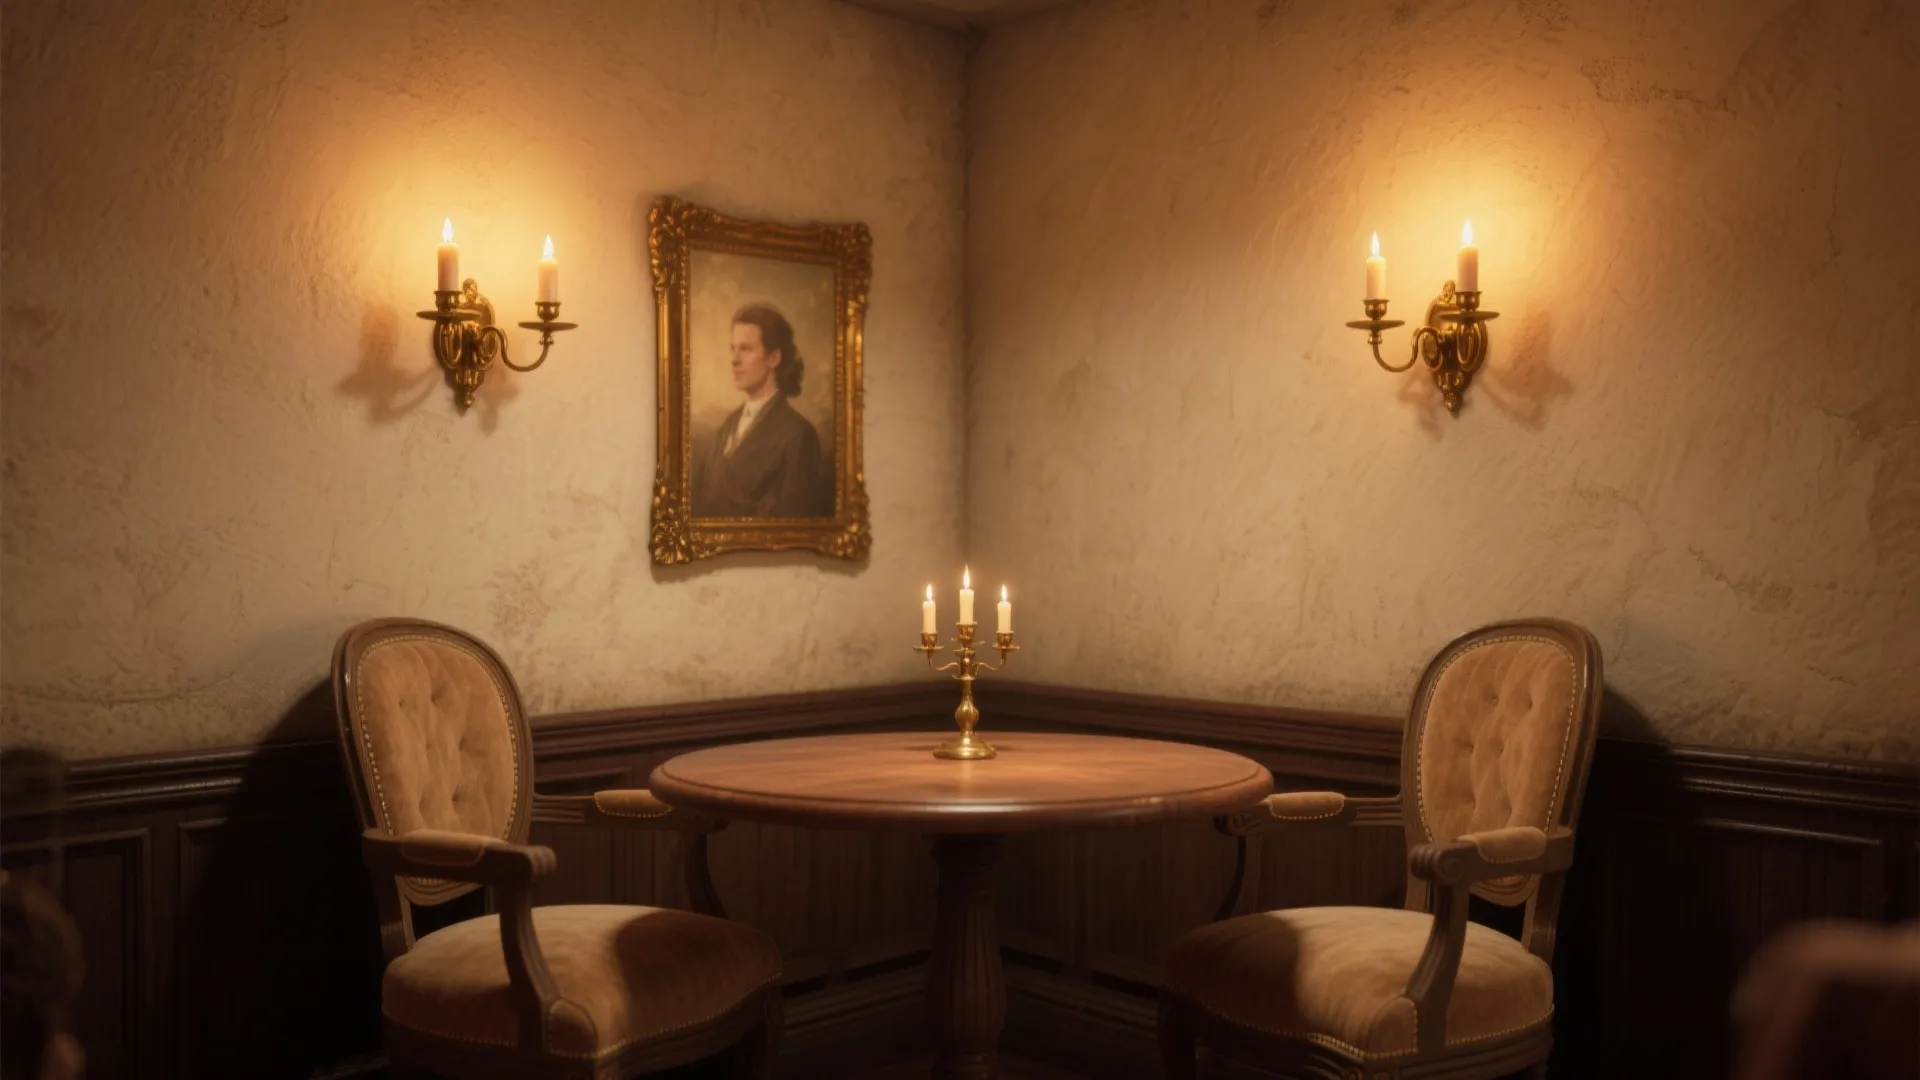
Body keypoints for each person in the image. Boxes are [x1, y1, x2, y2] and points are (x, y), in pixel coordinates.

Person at [691, 303, 831, 518]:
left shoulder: (798, 435)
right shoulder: (728, 425)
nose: (734, 360)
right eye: (733, 348)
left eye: (746, 349)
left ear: (774, 358)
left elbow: (793, 521)